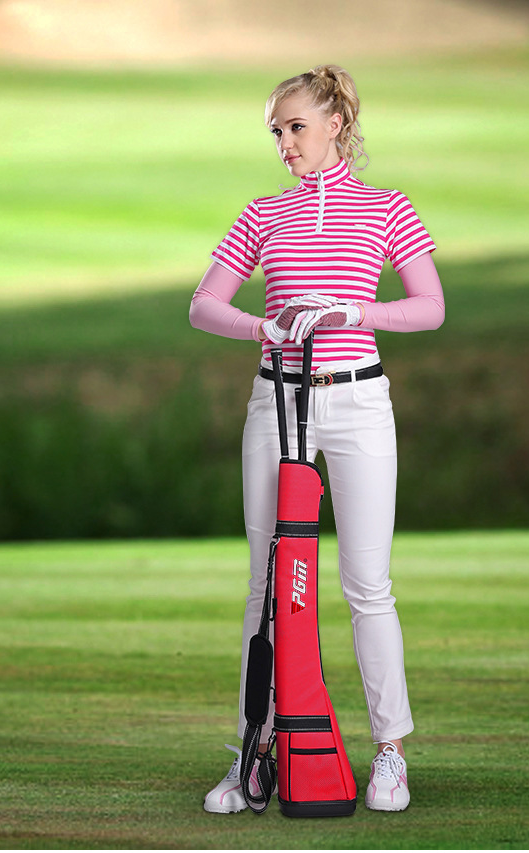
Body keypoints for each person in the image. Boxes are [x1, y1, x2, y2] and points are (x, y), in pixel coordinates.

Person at [189, 64, 445, 813]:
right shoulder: (263, 213)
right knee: (265, 585)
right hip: (277, 401)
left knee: (368, 586)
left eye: (296, 126)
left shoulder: (387, 207)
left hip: (359, 402)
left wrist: (351, 313)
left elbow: (429, 307)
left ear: (336, 124)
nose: (285, 143)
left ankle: (390, 752)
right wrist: (262, 327)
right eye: (276, 130)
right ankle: (254, 751)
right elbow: (204, 306)